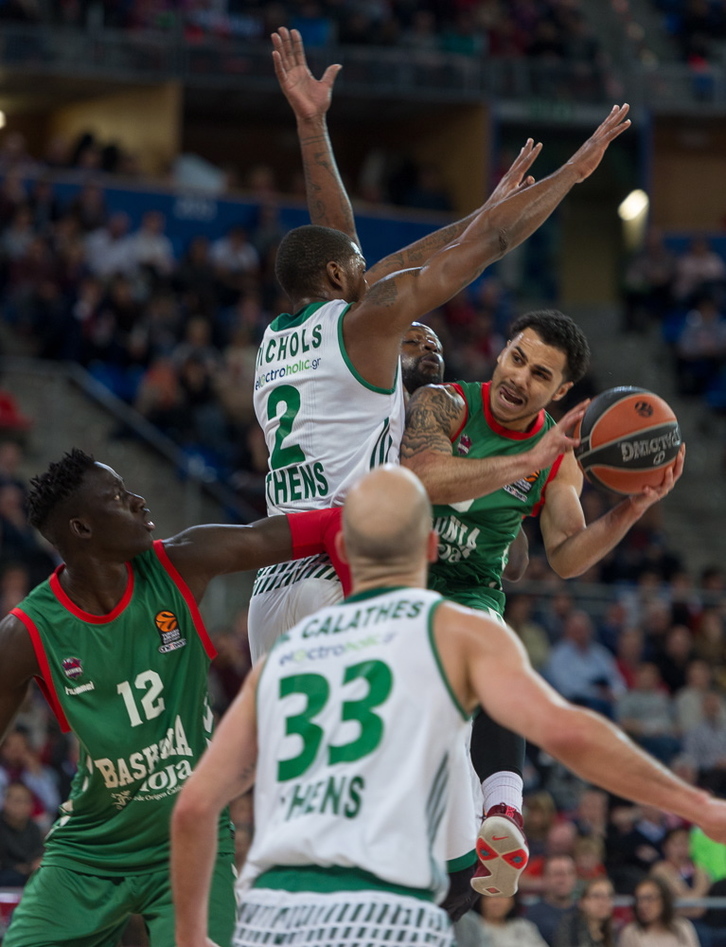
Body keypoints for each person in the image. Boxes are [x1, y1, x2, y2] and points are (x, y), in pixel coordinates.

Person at [170, 465, 726, 947]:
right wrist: (697, 806)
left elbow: (194, 808)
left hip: (273, 912)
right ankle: (496, 812)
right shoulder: (455, 634)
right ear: (432, 548)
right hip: (381, 905)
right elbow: (573, 736)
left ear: (342, 549)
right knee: (460, 873)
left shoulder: (284, 659)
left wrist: (191, 934)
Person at [248, 25, 632, 667]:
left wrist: (312, 125)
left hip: (273, 584)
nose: (372, 269)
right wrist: (568, 176)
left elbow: (340, 239)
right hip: (341, 568)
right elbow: (486, 249)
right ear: (340, 278)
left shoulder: (278, 339)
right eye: (360, 267)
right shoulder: (363, 322)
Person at [0, 448, 342, 947]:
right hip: (89, 851)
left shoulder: (180, 562)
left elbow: (299, 531)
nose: (139, 501)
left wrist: (387, 520)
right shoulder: (27, 631)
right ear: (82, 528)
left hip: (193, 836)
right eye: (117, 497)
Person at [400, 306, 685, 892]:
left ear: (560, 391)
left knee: (496, 650)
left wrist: (631, 509)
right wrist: (527, 460)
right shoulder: (446, 403)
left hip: (470, 593)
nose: (519, 378)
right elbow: (423, 474)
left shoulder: (559, 458)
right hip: (399, 582)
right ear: (502, 352)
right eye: (517, 358)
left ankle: (503, 811)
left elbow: (567, 555)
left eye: (539, 374)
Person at [618, 877, 700, 947]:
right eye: (639, 900)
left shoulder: (683, 927)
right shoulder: (631, 932)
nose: (642, 905)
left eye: (649, 898)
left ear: (664, 899)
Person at [0, 781, 44, 887]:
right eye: (17, 801)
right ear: (6, 802)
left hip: (29, 872)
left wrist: (37, 862)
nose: (22, 806)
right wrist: (17, 867)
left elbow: (39, 853)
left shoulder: (33, 827)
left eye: (26, 801)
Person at [554, 876, 616, 947]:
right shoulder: (569, 929)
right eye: (596, 896)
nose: (603, 902)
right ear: (582, 902)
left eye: (609, 896)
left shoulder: (612, 932)